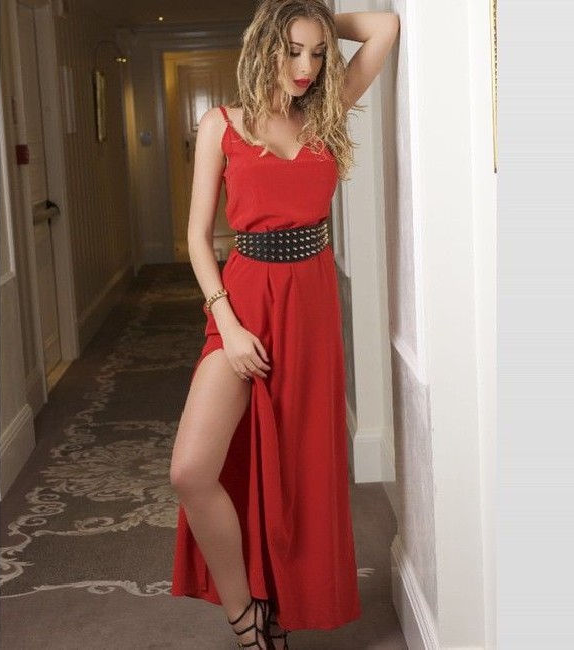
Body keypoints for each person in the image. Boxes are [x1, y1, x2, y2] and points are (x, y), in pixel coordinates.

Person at [169, 1, 399, 648]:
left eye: (318, 53)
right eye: (292, 49)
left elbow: (385, 26)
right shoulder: (220, 125)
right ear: (265, 43)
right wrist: (228, 324)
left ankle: (278, 609)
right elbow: (197, 237)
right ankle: (245, 616)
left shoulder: (325, 112)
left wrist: (320, 18)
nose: (307, 67)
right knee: (191, 469)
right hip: (241, 304)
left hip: (310, 307)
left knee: (295, 470)